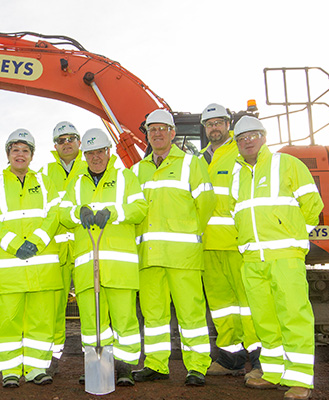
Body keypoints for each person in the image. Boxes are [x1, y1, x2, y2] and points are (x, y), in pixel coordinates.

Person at [230, 116, 323, 400]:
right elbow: (238, 212)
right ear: (237, 143)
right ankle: (273, 372)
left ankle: (299, 380)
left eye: (253, 135)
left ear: (264, 136)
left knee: (293, 315)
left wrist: (294, 235)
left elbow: (312, 205)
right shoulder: (238, 174)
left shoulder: (287, 164)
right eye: (241, 137)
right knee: (265, 319)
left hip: (284, 256)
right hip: (252, 260)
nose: (247, 140)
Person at [131, 109, 216, 386]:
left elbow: (205, 205)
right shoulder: (136, 170)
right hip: (149, 256)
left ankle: (197, 367)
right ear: (147, 134)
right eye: (152, 129)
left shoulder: (191, 164)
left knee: (190, 313)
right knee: (153, 314)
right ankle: (156, 365)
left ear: (172, 133)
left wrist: (189, 233)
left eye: (162, 129)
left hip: (182, 256)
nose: (157, 133)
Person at [59, 128, 147, 387]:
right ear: (84, 155)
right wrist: (79, 212)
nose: (96, 157)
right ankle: (96, 365)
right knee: (92, 323)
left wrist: (114, 212)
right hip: (87, 267)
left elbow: (140, 208)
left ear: (109, 152)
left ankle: (124, 368)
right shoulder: (76, 183)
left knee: (125, 321)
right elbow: (63, 213)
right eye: (91, 152)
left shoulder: (125, 177)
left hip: (120, 267)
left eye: (100, 151)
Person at [0, 129, 62, 388]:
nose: (20, 154)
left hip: (42, 265)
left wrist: (36, 242)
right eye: (15, 150)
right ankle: (10, 370)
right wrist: (15, 245)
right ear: (8, 154)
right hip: (9, 266)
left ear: (32, 155)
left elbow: (55, 214)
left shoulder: (46, 182)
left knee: (41, 319)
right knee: (7, 320)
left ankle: (37, 368)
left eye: (25, 150)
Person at [198, 104, 261, 378]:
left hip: (237, 242)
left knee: (250, 304)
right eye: (209, 123)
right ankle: (230, 358)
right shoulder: (199, 159)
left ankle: (260, 361)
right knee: (222, 306)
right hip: (208, 244)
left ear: (228, 124)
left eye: (219, 122)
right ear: (205, 128)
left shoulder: (241, 151)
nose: (215, 128)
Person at [39, 121, 88, 373]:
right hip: (55, 250)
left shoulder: (92, 163)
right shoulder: (44, 172)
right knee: (53, 308)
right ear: (55, 145)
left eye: (71, 138)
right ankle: (51, 360)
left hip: (85, 246)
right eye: (61, 140)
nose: (66, 143)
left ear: (79, 142)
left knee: (92, 306)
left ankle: (96, 361)